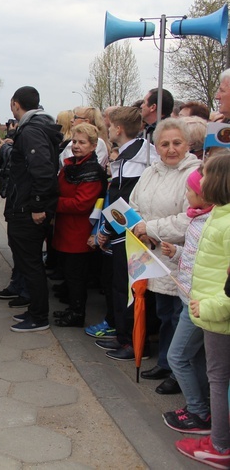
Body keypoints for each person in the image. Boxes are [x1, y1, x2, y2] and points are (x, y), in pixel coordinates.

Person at [130, 118, 200, 387]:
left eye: (177, 143)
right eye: (165, 144)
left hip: (176, 255)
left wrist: (151, 228)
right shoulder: (151, 171)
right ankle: (164, 362)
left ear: (187, 144)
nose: (171, 149)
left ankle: (176, 371)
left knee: (176, 315)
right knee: (161, 312)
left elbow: (189, 219)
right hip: (151, 252)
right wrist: (139, 228)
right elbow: (135, 203)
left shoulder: (193, 173)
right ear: (156, 147)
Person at [175, 153, 230, 468]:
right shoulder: (219, 216)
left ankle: (220, 446)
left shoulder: (226, 222)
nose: (200, 179)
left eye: (205, 174)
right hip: (212, 313)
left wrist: (208, 305)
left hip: (218, 315)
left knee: (218, 379)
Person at [95, 106, 158, 360]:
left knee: (130, 289)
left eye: (110, 125)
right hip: (125, 232)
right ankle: (124, 336)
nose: (108, 129)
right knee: (122, 287)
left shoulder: (136, 158)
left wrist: (107, 229)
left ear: (119, 129)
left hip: (130, 235)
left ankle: (133, 342)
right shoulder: (132, 152)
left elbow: (124, 202)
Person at [5, 86, 62, 332]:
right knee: (30, 262)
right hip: (28, 205)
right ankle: (34, 310)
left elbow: (43, 170)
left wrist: (38, 205)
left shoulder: (31, 131)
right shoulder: (40, 127)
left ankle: (39, 317)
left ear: (15, 104)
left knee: (30, 263)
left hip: (28, 209)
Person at [160, 169, 212, 434]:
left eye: (189, 191)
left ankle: (199, 412)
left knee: (177, 356)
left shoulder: (211, 222)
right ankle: (203, 405)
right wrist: (177, 252)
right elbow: (195, 259)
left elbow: (210, 266)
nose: (186, 195)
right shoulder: (199, 219)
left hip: (198, 305)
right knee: (196, 359)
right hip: (190, 299)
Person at [51, 123, 107, 327]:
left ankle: (77, 313)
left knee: (76, 276)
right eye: (74, 141)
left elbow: (82, 204)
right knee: (70, 273)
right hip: (67, 228)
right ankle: (72, 309)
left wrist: (53, 203)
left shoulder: (90, 170)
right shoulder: (72, 165)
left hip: (79, 230)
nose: (76, 146)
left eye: (82, 142)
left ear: (93, 146)